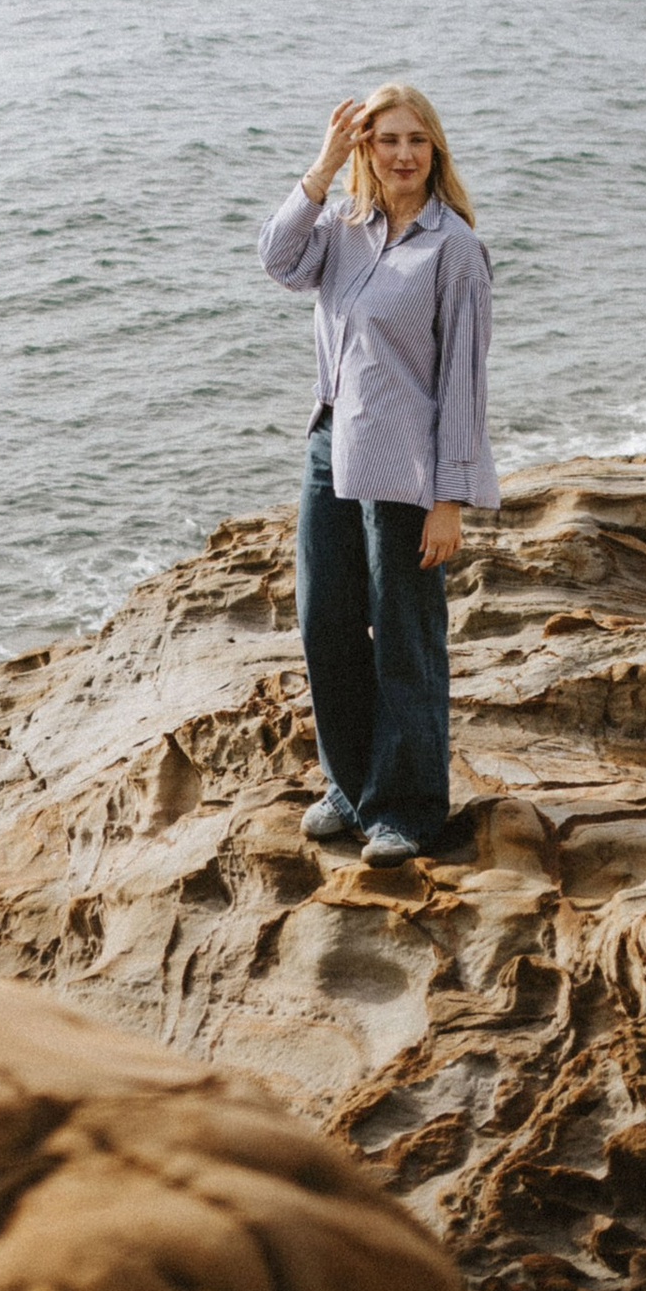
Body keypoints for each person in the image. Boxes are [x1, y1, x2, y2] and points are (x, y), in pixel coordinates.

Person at [259, 82, 498, 866]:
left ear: (436, 151)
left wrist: (451, 498)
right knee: (325, 620)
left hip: (408, 463)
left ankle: (408, 806)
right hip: (330, 446)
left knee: (404, 632)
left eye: (416, 141)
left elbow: (464, 379)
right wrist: (324, 163)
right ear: (367, 148)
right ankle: (351, 784)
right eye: (386, 139)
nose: (402, 155)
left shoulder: (453, 248)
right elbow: (276, 257)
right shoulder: (342, 228)